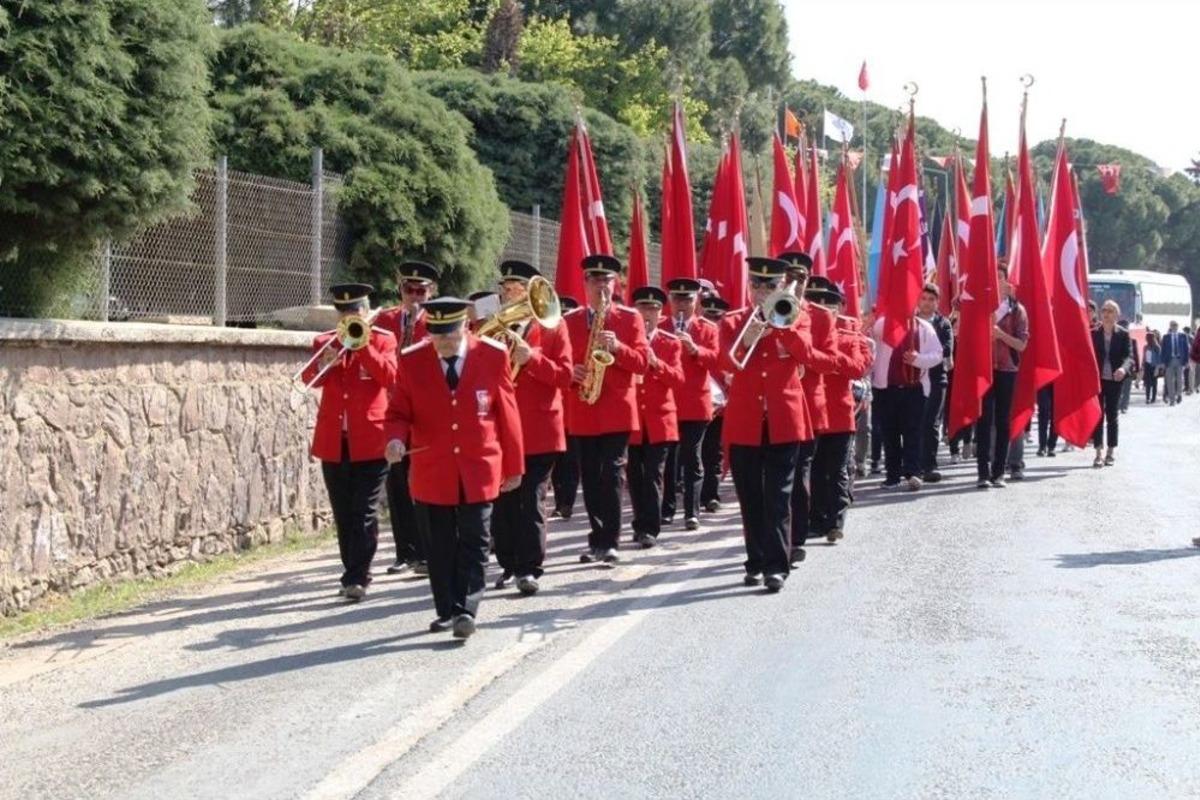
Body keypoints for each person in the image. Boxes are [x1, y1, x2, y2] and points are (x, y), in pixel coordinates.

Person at [385, 297, 524, 639]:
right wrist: (395, 439)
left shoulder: (492, 355)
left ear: (465, 327)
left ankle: (466, 609)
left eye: (449, 335)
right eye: (437, 336)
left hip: (479, 464)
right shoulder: (412, 360)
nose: (443, 343)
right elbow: (398, 412)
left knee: (476, 539)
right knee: (439, 543)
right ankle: (447, 609)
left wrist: (515, 465)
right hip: (433, 468)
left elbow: (507, 414)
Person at [719, 256, 819, 592]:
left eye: (770, 286)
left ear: (782, 287)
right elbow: (725, 361)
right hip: (746, 420)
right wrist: (750, 333)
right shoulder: (734, 320)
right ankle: (755, 561)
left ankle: (777, 565)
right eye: (757, 285)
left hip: (784, 419)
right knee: (750, 496)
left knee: (779, 495)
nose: (762, 292)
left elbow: (806, 354)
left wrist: (781, 324)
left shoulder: (797, 316)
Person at [302, 283, 397, 601]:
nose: (349, 316)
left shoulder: (383, 340)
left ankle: (358, 575)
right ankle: (352, 570)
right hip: (334, 440)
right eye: (344, 312)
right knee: (344, 512)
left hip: (371, 439)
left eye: (355, 311)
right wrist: (324, 361)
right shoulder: (324, 341)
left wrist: (362, 347)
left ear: (366, 312)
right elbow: (309, 380)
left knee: (364, 511)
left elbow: (390, 377)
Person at [486, 261, 572, 597]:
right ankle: (509, 564)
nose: (508, 293)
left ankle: (530, 567)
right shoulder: (494, 328)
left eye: (516, 288)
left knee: (531, 499)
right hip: (502, 428)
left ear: (531, 292)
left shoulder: (554, 327)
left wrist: (531, 358)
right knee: (504, 500)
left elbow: (565, 376)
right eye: (506, 287)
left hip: (540, 429)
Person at [563, 254, 650, 565]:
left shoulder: (630, 318)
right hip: (583, 407)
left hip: (616, 410)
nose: (601, 286)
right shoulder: (570, 320)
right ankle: (596, 538)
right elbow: (560, 364)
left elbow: (641, 362)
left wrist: (618, 348)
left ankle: (610, 541)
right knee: (590, 475)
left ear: (616, 285)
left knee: (612, 473)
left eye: (607, 280)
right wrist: (571, 372)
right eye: (595, 280)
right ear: (585, 284)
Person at [375, 261, 438, 576]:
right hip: (395, 411)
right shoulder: (385, 319)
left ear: (431, 291)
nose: (414, 296)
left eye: (420, 290)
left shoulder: (439, 321)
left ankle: (428, 553)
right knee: (397, 484)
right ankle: (405, 553)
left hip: (426, 413)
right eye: (408, 290)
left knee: (423, 484)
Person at [807, 281, 873, 543]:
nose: (823, 309)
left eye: (828, 304)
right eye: (816, 304)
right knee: (815, 470)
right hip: (812, 412)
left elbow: (858, 368)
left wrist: (832, 359)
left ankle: (835, 521)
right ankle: (817, 519)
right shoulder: (803, 334)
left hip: (839, 412)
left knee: (837, 470)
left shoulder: (848, 336)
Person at [658, 278, 720, 530]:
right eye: (677, 299)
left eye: (688, 300)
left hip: (695, 403)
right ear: (670, 301)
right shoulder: (660, 327)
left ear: (697, 302)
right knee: (668, 460)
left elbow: (717, 359)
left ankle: (691, 512)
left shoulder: (707, 328)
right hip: (667, 403)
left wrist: (694, 349)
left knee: (692, 457)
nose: (682, 304)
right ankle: (668, 509)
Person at [627, 286, 685, 547]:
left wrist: (656, 363)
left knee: (653, 475)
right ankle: (638, 523)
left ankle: (650, 527)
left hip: (660, 420)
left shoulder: (669, 342)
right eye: (643, 308)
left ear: (661, 312)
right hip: (633, 420)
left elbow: (678, 379)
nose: (648, 313)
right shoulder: (625, 340)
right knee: (634, 476)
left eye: (653, 309)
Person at [870, 309, 944, 491]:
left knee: (913, 432)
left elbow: (937, 354)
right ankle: (892, 475)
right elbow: (874, 333)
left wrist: (918, 359)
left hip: (915, 389)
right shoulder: (884, 323)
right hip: (886, 388)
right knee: (890, 433)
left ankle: (913, 472)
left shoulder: (925, 327)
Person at [974, 265, 1028, 489]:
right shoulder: (981, 307)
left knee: (1003, 421)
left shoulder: (1017, 310)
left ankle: (999, 472)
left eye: (1000, 277)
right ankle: (982, 473)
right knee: (983, 420)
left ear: (1007, 282)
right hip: (984, 370)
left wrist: (1001, 335)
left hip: (1007, 370)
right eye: (993, 278)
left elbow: (1022, 344)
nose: (997, 282)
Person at [915, 283, 954, 483]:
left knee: (931, 423)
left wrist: (925, 356)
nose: (927, 303)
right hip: (913, 379)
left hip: (937, 379)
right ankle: (914, 466)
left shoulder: (943, 323)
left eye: (931, 300)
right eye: (924, 299)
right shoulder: (910, 321)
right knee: (915, 422)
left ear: (937, 302)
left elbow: (946, 349)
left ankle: (929, 465)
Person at [550, 295, 581, 519]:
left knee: (570, 460)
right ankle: (561, 500)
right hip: (553, 405)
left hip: (570, 406)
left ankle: (566, 502)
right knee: (556, 461)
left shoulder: (574, 336)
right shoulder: (550, 332)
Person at [1091, 300, 1132, 467]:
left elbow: (1129, 357)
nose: (1106, 314)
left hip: (1115, 379)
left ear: (1117, 315)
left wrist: (1123, 369)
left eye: (1110, 311)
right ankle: (1098, 452)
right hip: (1098, 380)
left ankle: (1110, 451)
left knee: (1112, 415)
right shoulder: (1093, 333)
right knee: (1098, 415)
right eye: (1104, 310)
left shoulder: (1123, 334)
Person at [699, 295, 730, 511]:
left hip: (721, 406)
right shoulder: (697, 334)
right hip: (697, 403)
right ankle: (693, 491)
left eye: (716, 317)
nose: (713, 320)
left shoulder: (729, 340)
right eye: (708, 316)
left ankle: (711, 494)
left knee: (714, 452)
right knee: (692, 452)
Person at [1161, 320, 1188, 406]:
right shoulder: (1166, 337)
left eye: (1175, 325)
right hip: (1169, 360)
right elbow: (1163, 350)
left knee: (1179, 379)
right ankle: (1172, 400)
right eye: (1173, 326)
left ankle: (1179, 394)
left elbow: (1186, 349)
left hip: (1180, 360)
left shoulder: (1183, 336)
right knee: (1169, 380)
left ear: (1178, 326)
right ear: (1170, 327)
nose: (1174, 327)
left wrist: (1186, 361)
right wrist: (1162, 362)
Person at [1036, 383, 1059, 456]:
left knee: (1056, 414)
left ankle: (1051, 447)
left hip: (1059, 381)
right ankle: (1042, 446)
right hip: (1044, 380)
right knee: (1043, 412)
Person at [1142, 330, 1161, 404]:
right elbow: (1144, 357)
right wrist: (1142, 365)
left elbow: (1159, 358)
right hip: (1147, 366)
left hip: (1154, 367)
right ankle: (1147, 398)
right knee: (1148, 383)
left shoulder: (1157, 347)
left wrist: (1157, 368)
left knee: (1154, 383)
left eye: (1147, 338)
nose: (1146, 339)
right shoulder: (1145, 347)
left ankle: (1153, 398)